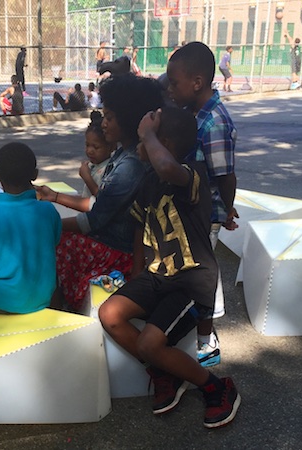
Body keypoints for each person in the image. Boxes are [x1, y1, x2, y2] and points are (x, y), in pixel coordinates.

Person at [98, 105, 241, 428]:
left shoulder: (190, 175)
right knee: (109, 314)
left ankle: (216, 387)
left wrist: (147, 134)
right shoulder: (149, 181)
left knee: (150, 343)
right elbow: (139, 228)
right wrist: (136, 273)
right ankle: (165, 372)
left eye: (145, 138)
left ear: (164, 143)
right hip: (156, 276)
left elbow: (166, 166)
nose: (138, 144)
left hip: (191, 280)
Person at [35, 74, 164, 312]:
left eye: (110, 118)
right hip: (109, 239)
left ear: (128, 120)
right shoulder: (123, 155)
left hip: (114, 249)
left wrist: (51, 224)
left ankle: (54, 313)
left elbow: (94, 220)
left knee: (48, 242)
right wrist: (54, 196)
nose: (104, 123)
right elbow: (99, 204)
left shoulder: (130, 165)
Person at [166, 42, 239, 368]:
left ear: (197, 82)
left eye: (175, 82)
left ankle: (206, 340)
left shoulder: (215, 122)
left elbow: (225, 175)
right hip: (190, 212)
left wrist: (227, 209)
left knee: (203, 277)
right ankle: (198, 330)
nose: (170, 88)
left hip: (205, 216)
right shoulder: (193, 113)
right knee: (199, 273)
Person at [0, 142, 62, 315]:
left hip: (2, 301)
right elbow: (55, 242)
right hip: (44, 298)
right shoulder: (48, 210)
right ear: (35, 175)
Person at [79, 110, 114, 198]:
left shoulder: (108, 170)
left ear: (110, 147)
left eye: (96, 147)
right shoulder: (93, 165)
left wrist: (87, 178)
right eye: (87, 145)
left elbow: (101, 198)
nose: (90, 151)